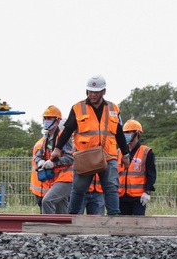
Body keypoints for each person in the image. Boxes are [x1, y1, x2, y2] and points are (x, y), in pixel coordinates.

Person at [51, 75, 130, 215]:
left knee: (111, 187)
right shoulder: (78, 108)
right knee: (79, 188)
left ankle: (114, 218)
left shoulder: (113, 108)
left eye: (96, 92)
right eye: (90, 91)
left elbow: (119, 133)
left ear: (103, 92)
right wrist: (57, 149)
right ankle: (73, 217)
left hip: (108, 155)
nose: (93, 95)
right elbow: (67, 130)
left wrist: (125, 154)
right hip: (85, 156)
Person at [34, 105, 74, 214]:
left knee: (47, 201)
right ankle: (63, 230)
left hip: (66, 178)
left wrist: (54, 163)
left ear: (57, 121)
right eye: (45, 118)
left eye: (49, 118)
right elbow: (38, 155)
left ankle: (48, 228)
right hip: (56, 179)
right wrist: (40, 161)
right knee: (61, 210)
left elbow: (70, 158)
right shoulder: (47, 138)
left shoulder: (63, 137)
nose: (46, 121)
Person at [118, 119, 157, 215]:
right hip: (121, 197)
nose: (125, 135)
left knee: (137, 225)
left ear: (137, 133)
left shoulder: (146, 152)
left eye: (128, 132)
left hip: (138, 198)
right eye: (124, 133)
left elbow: (151, 174)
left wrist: (147, 192)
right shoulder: (119, 152)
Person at [30, 137, 52, 210]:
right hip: (43, 188)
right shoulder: (43, 144)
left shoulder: (46, 142)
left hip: (45, 188)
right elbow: (41, 166)